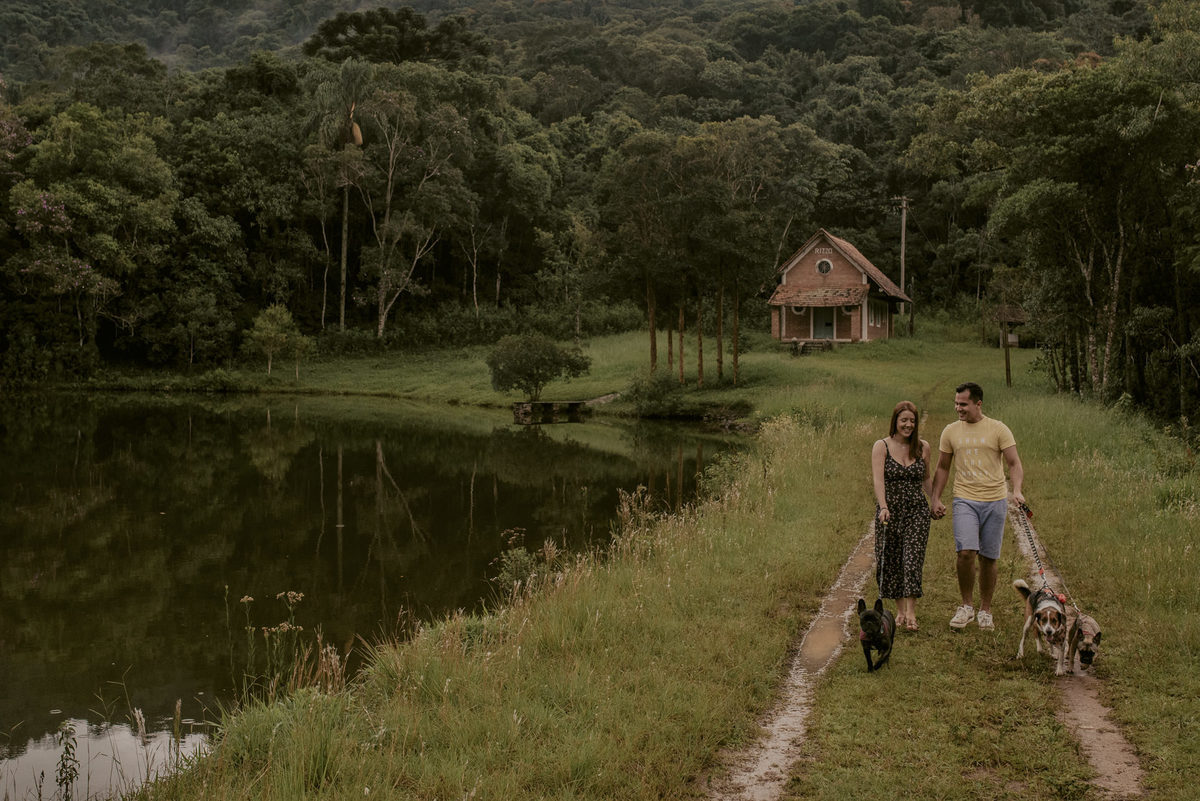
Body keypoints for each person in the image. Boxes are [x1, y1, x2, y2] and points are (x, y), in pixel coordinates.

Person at [930, 381, 1025, 631]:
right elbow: (942, 467)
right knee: (965, 553)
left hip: (994, 500)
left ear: (978, 403)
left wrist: (1016, 491)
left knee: (988, 558)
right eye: (956, 403)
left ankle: (985, 610)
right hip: (964, 499)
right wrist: (936, 498)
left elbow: (1014, 463)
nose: (958, 408)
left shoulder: (998, 429)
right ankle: (966, 606)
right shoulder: (950, 431)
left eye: (963, 404)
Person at [871, 400, 933, 632]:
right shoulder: (882, 446)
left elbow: (926, 478)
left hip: (917, 510)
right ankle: (899, 610)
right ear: (895, 421)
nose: (908, 425)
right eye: (903, 420)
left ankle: (911, 612)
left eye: (912, 421)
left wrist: (935, 500)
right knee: (893, 559)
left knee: (912, 559)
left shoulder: (923, 447)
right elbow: (878, 480)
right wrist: (883, 506)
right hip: (890, 511)